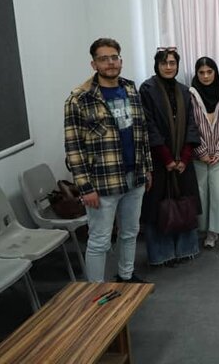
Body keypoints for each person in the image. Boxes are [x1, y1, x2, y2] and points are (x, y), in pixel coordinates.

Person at [64, 38, 152, 283]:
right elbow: (73, 148)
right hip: (103, 182)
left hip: (135, 176)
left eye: (114, 57)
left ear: (120, 60)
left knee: (130, 232)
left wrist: (147, 169)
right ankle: (95, 289)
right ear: (94, 64)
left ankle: (125, 276)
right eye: (104, 59)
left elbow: (142, 133)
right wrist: (85, 188)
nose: (110, 63)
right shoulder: (79, 98)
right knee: (100, 240)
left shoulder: (130, 89)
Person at [140, 48, 201, 266]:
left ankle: (185, 249)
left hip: (182, 159)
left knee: (184, 202)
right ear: (157, 65)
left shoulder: (184, 90)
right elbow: (148, 125)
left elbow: (192, 124)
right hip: (159, 160)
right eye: (164, 63)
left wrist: (184, 157)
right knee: (158, 206)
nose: (168, 67)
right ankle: (162, 254)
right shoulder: (147, 89)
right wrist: (166, 158)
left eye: (172, 63)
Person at [189, 57, 219, 256]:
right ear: (196, 74)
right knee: (203, 196)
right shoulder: (190, 96)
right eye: (202, 72)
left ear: (215, 73)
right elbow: (190, 125)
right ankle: (210, 232)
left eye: (209, 72)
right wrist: (200, 151)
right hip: (198, 157)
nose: (206, 76)